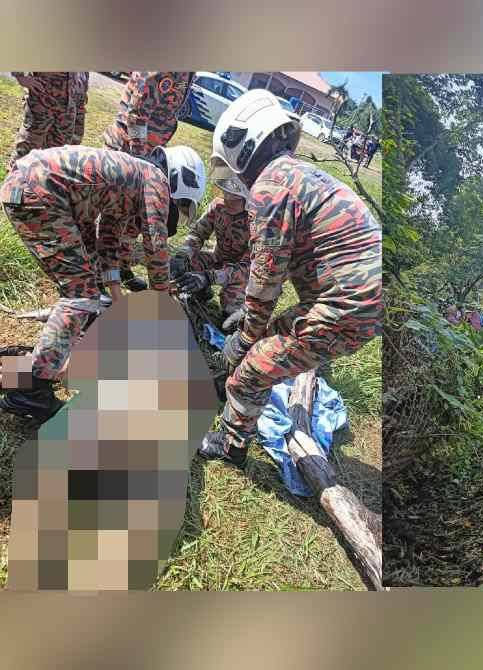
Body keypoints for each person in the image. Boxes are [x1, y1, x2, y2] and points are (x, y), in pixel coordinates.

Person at [197, 90, 381, 466]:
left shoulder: (270, 187)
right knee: (270, 339)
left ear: (242, 147)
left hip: (346, 307)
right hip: (351, 301)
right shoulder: (295, 174)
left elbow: (265, 278)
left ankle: (231, 444)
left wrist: (246, 337)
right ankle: (231, 389)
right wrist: (253, 328)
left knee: (255, 366)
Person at [0, 145, 206, 421]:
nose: (176, 212)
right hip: (40, 190)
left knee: (86, 290)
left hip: (34, 186)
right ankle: (31, 391)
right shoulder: (155, 180)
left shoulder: (131, 180)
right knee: (80, 294)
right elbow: (156, 246)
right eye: (181, 205)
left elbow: (107, 238)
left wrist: (115, 296)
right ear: (180, 183)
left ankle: (22, 374)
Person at [171, 167, 252, 321]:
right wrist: (183, 255)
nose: (227, 199)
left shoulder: (258, 223)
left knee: (233, 304)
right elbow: (197, 234)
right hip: (217, 259)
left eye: (233, 198)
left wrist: (209, 277)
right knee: (185, 269)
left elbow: (247, 268)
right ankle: (201, 293)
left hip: (241, 274)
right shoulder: (218, 206)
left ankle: (234, 322)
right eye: (225, 193)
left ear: (246, 200)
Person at [7, 72, 89, 171]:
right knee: (27, 148)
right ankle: (13, 182)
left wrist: (82, 91)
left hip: (68, 104)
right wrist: (20, 76)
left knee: (57, 154)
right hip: (42, 99)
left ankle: (40, 182)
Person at [103, 71, 194, 158]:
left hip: (149, 147)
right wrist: (139, 155)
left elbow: (176, 88)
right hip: (127, 149)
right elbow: (136, 116)